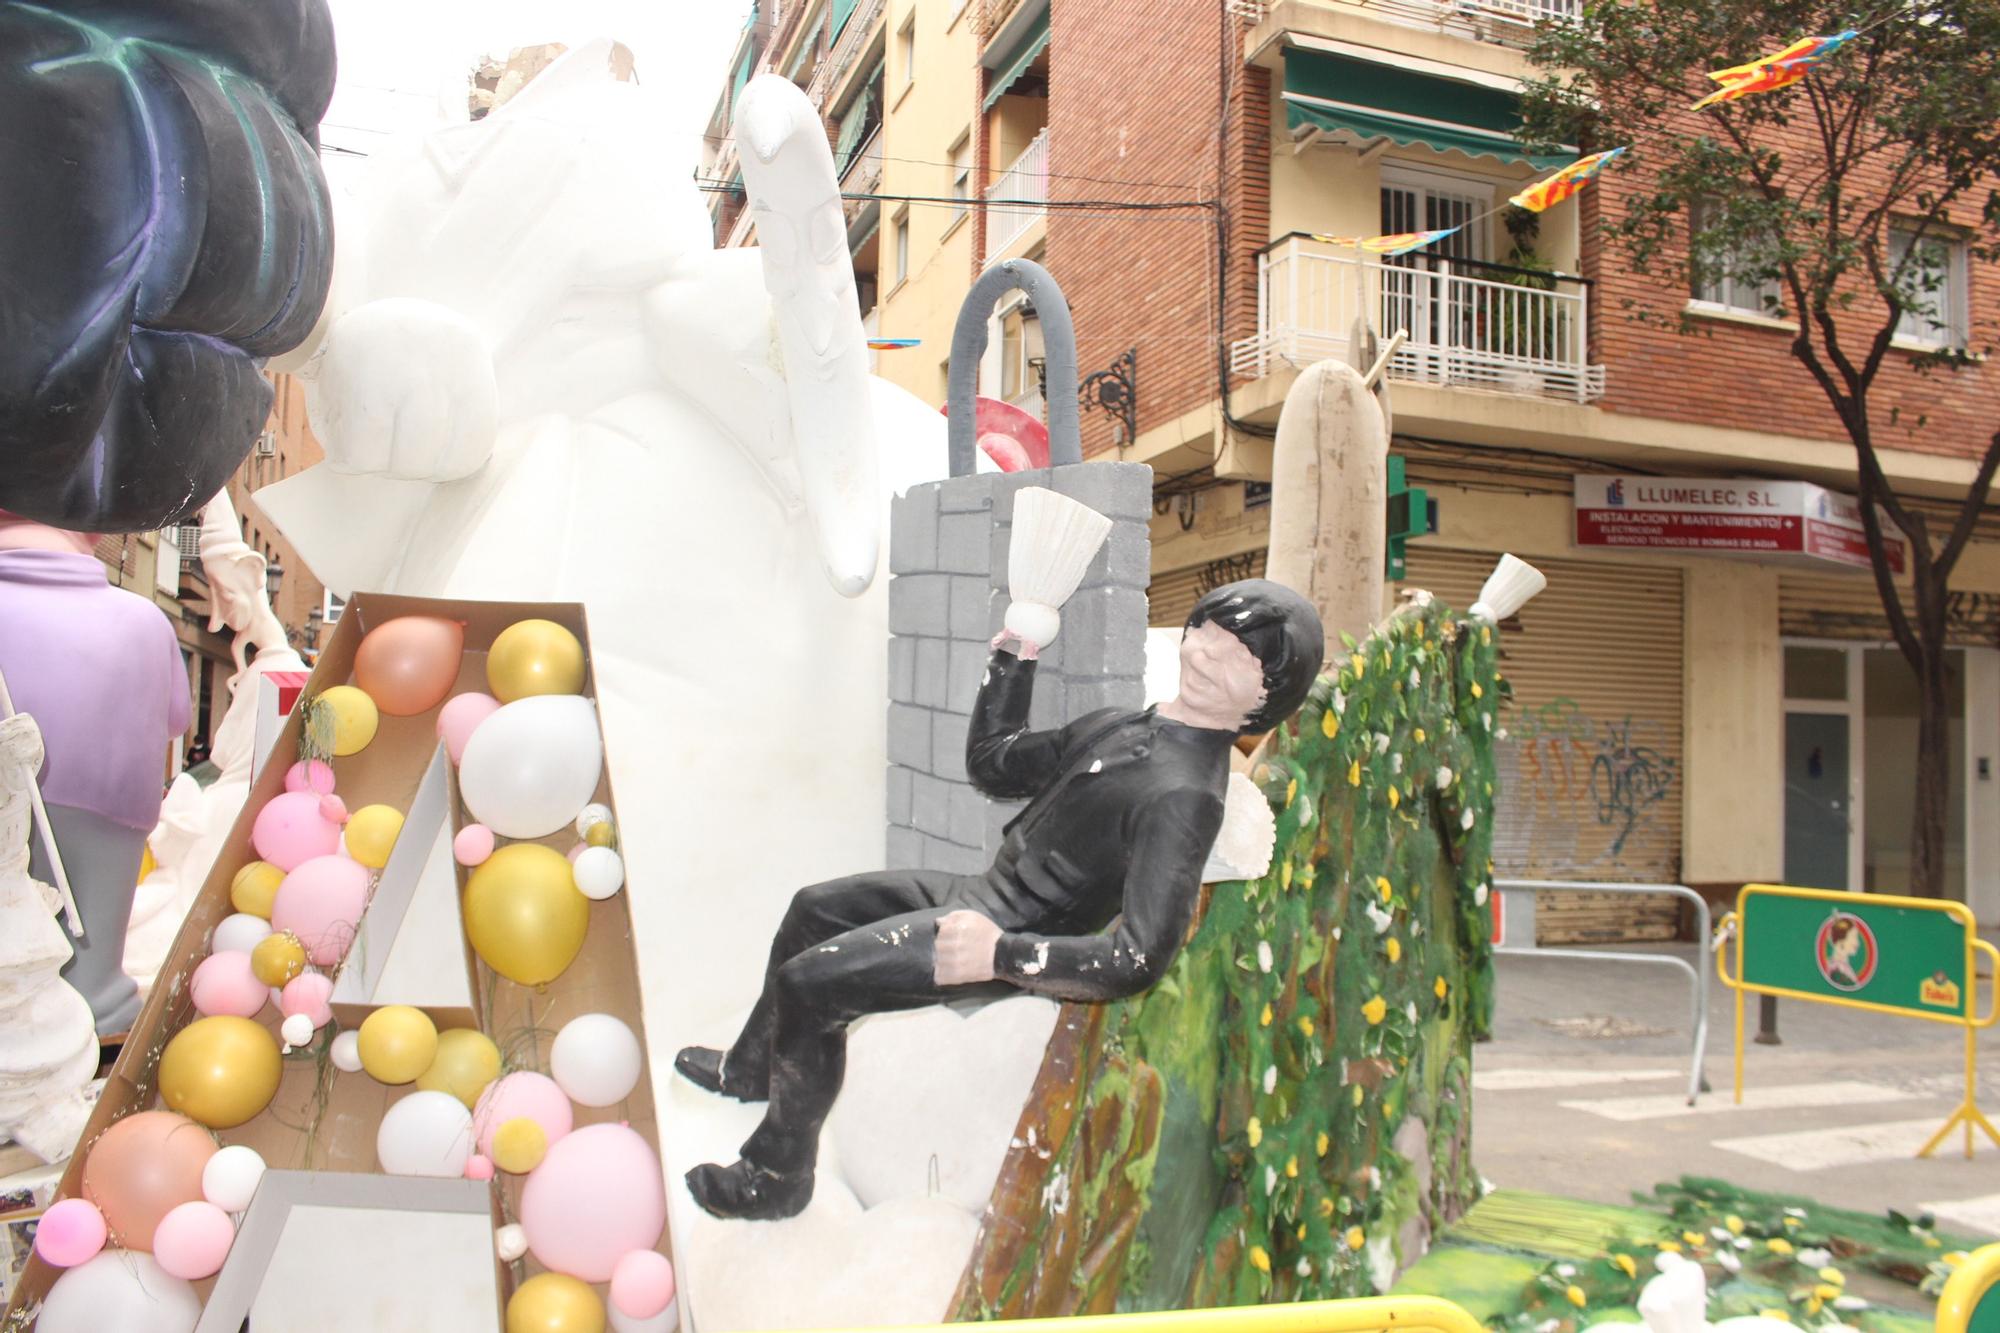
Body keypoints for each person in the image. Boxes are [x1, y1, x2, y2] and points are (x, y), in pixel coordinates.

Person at [677, 579, 1325, 1220]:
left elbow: (1138, 958)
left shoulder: (1187, 795)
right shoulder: (1124, 724)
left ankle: (778, 1171)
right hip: (979, 892)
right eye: (1208, 632)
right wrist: (1013, 661)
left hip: (1000, 929)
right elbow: (994, 763)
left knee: (810, 984)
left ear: (1269, 696)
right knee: (811, 906)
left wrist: (1001, 954)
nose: (1208, 656)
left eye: (1242, 657)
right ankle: (753, 1066)